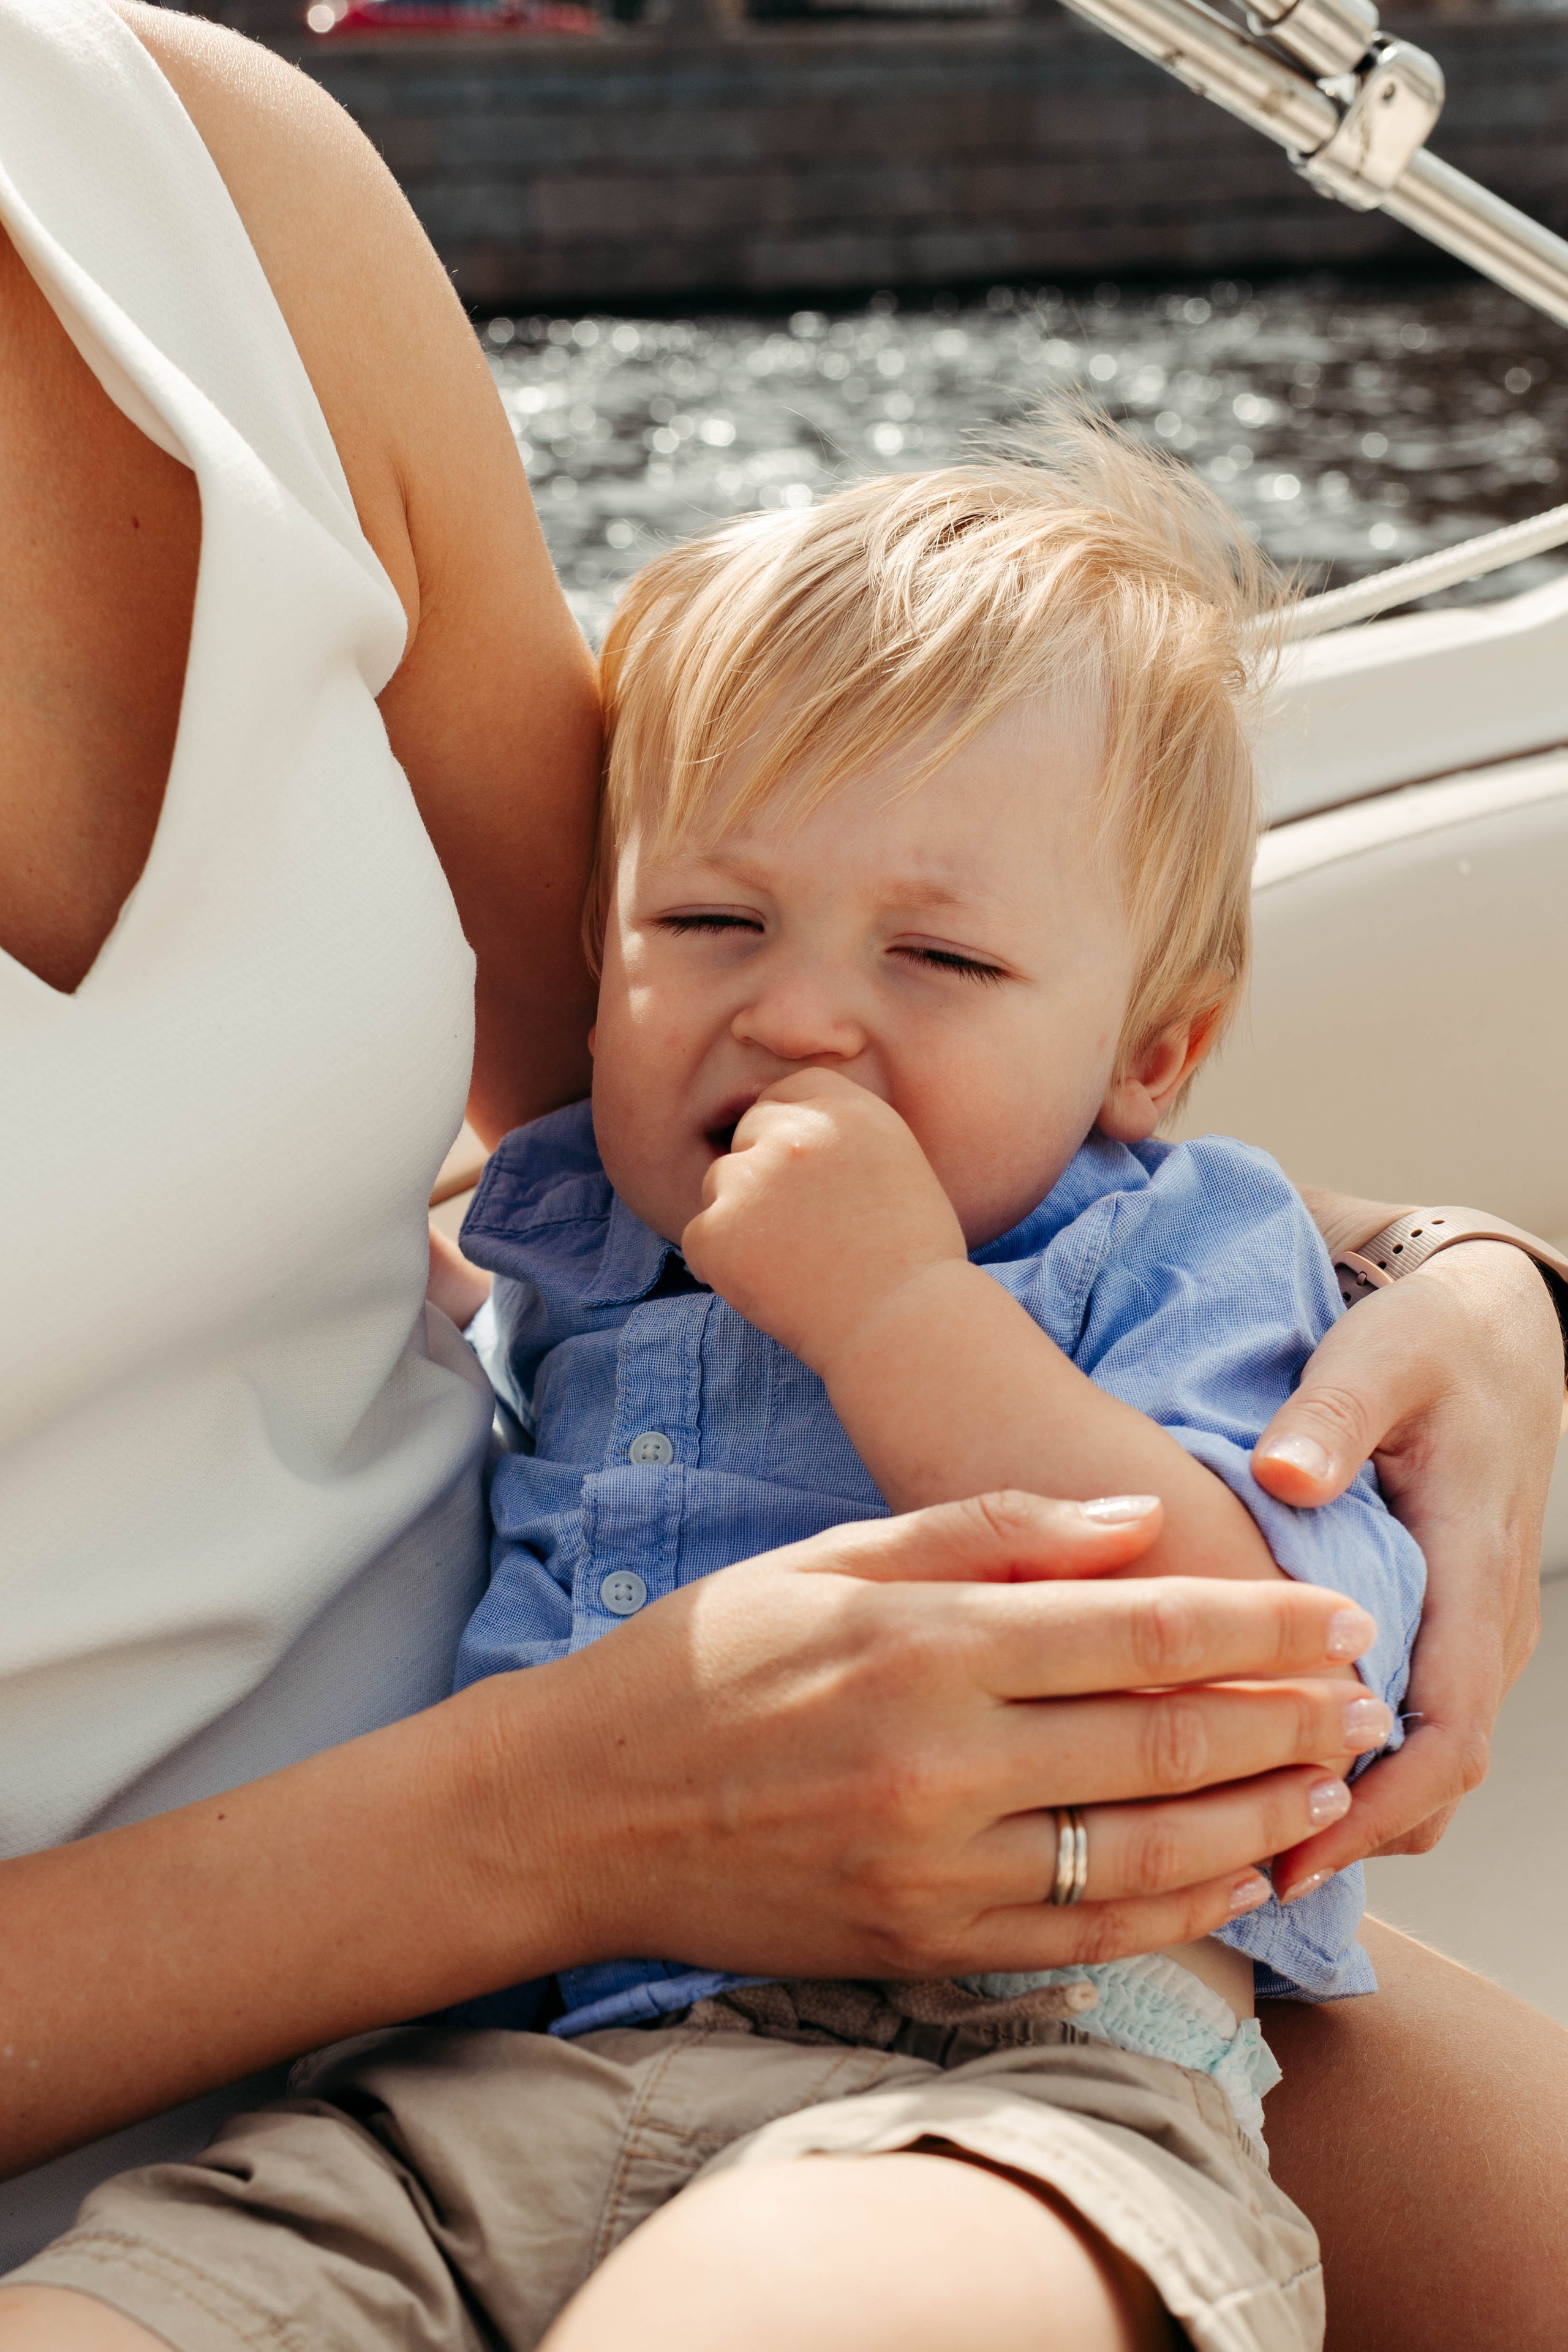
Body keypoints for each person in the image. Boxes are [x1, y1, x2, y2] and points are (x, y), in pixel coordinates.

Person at [0, 3, 1564, 2346]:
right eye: (716, 923)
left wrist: (1451, 1271)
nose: (808, 1010)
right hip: (416, 2082)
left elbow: (652, 1120)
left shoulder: (212, 195)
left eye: (929, 952)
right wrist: (560, 1816)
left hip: (982, 2063)